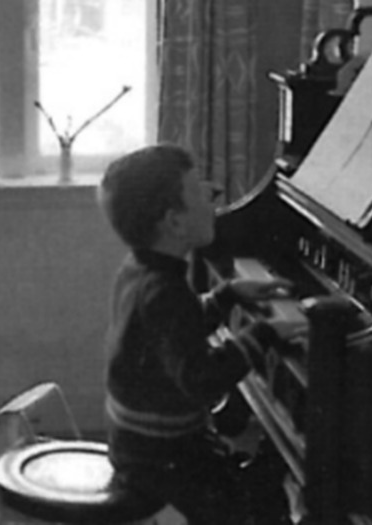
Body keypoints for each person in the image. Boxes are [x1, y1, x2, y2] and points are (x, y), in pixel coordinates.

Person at [97, 144, 301, 524]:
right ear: (174, 223)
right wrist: (263, 333)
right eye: (199, 191)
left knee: (256, 479)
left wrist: (226, 296)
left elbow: (172, 335)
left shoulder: (140, 269)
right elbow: (202, 380)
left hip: (139, 443)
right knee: (253, 508)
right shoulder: (165, 291)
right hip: (162, 457)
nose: (213, 194)